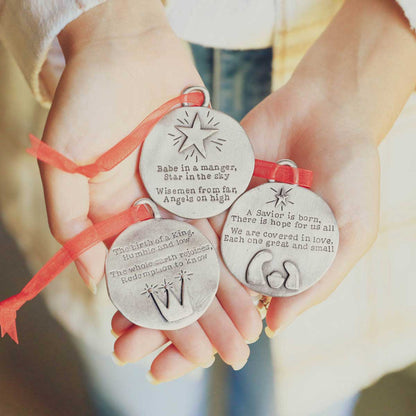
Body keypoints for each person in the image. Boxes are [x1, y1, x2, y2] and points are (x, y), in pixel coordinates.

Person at [0, 0, 415, 415]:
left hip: (361, 61)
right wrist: (106, 24)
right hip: (100, 61)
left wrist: (368, 68)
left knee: (305, 392)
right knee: (139, 395)